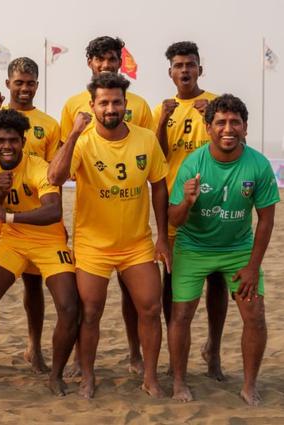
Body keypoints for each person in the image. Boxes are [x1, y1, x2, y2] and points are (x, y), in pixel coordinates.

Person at [48, 72, 169, 399]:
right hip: (93, 246)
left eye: (117, 102)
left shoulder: (145, 139)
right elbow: (55, 176)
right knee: (90, 312)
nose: (111, 108)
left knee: (150, 308)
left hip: (136, 243)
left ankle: (150, 377)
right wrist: (73, 134)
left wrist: (162, 237)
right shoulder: (83, 140)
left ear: (125, 105)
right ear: (92, 105)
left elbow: (158, 185)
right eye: (104, 102)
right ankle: (88, 375)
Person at [167, 94, 279, 406]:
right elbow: (173, 219)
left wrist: (253, 267)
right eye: (221, 123)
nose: (227, 129)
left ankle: (249, 385)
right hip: (193, 246)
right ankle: (178, 382)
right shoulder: (194, 164)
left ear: (245, 128)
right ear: (208, 128)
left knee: (255, 314)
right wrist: (187, 201)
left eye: (235, 123)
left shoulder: (257, 165)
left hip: (238, 248)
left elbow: (267, 220)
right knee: (182, 314)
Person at [59, 36, 154, 376]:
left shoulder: (140, 106)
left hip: (133, 233)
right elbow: (61, 166)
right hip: (93, 232)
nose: (106, 64)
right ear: (90, 64)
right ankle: (80, 363)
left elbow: (145, 156)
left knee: (137, 299)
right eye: (99, 59)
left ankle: (134, 354)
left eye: (112, 58)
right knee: (88, 307)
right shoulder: (73, 106)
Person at [0, 109, 77, 397]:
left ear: (23, 141)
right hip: (12, 240)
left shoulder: (38, 166)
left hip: (48, 241)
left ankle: (56, 375)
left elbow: (54, 211)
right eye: (1, 140)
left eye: (13, 140)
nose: (7, 146)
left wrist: (10, 216)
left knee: (68, 306)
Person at [0, 57, 61, 373]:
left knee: (34, 287)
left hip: (34, 215)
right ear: (8, 83)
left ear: (37, 85)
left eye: (30, 83)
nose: (24, 88)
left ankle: (34, 347)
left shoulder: (49, 124)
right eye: (18, 82)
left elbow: (54, 173)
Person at [152, 41, 227, 380]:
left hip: (212, 203)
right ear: (170, 72)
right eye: (179, 65)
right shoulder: (161, 109)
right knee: (173, 284)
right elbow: (157, 155)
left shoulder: (212, 104)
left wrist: (206, 116)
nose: (185, 70)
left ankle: (212, 348)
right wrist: (164, 119)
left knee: (216, 279)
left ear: (200, 69)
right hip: (175, 204)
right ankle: (175, 353)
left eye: (191, 65)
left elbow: (230, 142)